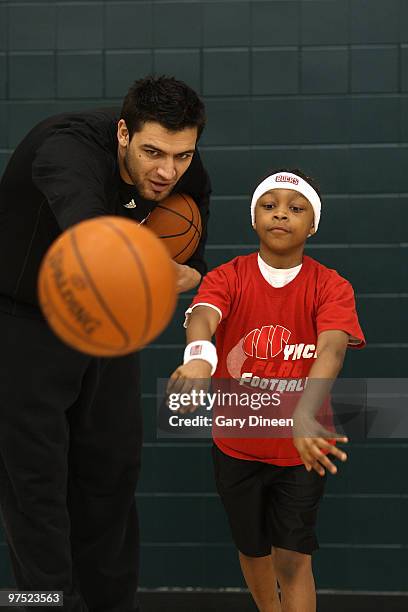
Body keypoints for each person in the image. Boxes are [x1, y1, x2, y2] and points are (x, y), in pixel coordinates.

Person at [0, 76, 210, 611]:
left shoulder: (182, 169)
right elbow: (94, 244)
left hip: (108, 323)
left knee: (111, 477)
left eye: (182, 155)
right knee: (36, 488)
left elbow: (192, 257)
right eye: (153, 152)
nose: (168, 171)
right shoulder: (64, 152)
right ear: (123, 133)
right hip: (25, 321)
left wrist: (190, 275)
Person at [168, 169, 365, 612]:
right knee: (254, 553)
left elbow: (331, 350)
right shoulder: (227, 276)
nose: (281, 214)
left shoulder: (331, 286)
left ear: (312, 224)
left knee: (293, 561)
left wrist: (305, 411)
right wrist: (199, 355)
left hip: (301, 449)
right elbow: (203, 314)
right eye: (269, 205)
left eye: (295, 208)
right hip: (237, 446)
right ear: (253, 217)